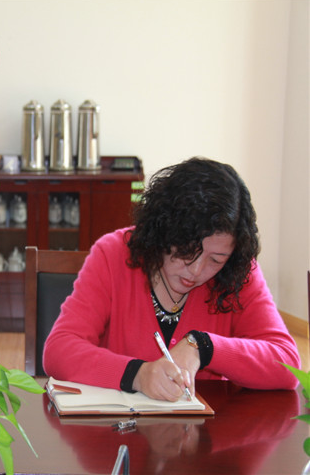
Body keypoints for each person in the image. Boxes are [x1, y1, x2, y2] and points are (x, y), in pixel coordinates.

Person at [43, 157, 301, 401]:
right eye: (186, 251)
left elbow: (288, 365)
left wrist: (204, 346)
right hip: (117, 428)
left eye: (215, 260)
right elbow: (59, 350)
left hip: (207, 431)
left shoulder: (238, 271)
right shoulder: (113, 254)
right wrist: (137, 375)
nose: (196, 270)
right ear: (164, 230)